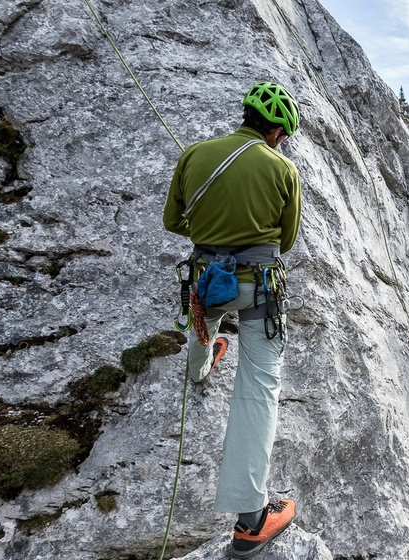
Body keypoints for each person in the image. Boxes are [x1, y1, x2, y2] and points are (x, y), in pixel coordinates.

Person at [162, 81, 301, 559]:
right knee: (258, 387)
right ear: (278, 132)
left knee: (205, 322)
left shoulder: (196, 155)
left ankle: (199, 366)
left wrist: (212, 232)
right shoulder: (281, 168)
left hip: (207, 281)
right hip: (259, 287)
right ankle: (251, 520)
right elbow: (286, 239)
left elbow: (173, 222)